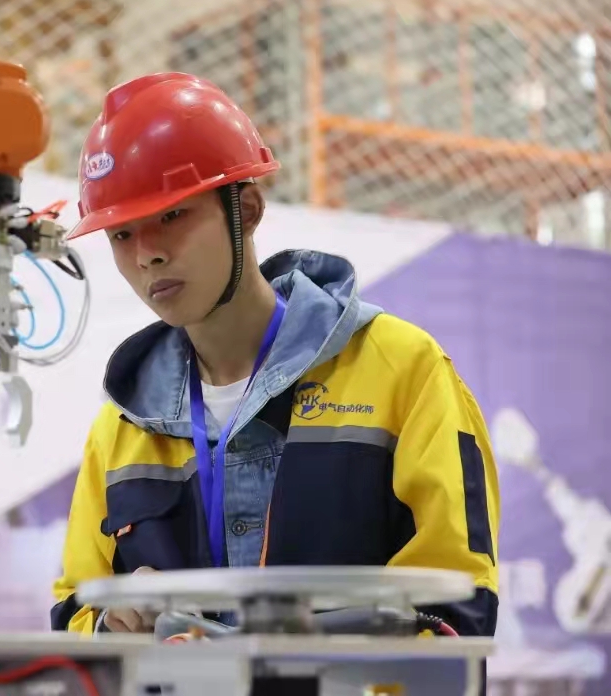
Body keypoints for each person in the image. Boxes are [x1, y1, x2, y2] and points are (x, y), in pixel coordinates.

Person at [50, 72, 500, 639]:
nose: (147, 255)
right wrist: (112, 628)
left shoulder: (402, 370)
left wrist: (310, 665)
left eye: (172, 216)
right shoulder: (121, 429)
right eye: (121, 235)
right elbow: (75, 612)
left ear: (248, 211)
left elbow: (457, 608)